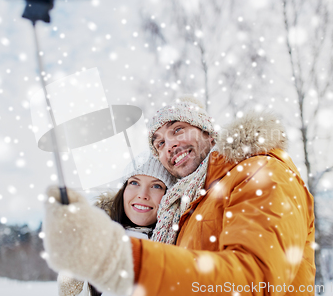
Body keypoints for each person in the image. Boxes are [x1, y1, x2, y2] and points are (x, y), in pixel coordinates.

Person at [43, 96, 316, 296]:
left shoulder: (261, 171)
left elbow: (255, 281)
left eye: (178, 129)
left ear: (209, 135)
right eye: (159, 142)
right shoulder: (187, 206)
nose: (169, 145)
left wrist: (123, 260)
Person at [56, 155, 175, 296]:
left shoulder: (179, 241)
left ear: (169, 196)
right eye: (134, 183)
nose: (143, 195)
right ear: (123, 190)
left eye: (156, 186)